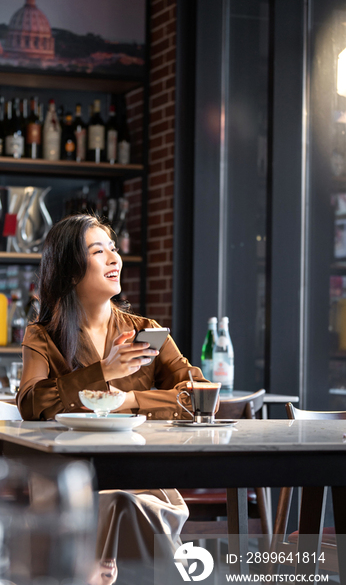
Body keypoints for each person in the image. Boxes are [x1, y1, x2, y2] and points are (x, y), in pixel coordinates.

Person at [16, 213, 207, 561]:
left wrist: (129, 399)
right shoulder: (42, 335)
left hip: (143, 473)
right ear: (70, 269)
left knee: (126, 502)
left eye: (113, 249)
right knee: (114, 503)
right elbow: (30, 403)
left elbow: (201, 397)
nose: (114, 258)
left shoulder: (146, 331)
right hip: (70, 479)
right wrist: (103, 371)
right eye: (97, 251)